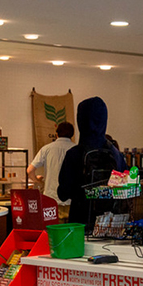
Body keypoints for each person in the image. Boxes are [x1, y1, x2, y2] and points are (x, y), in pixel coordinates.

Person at [58, 97, 124, 227]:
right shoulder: (116, 154)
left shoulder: (74, 154)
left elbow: (63, 194)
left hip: (80, 223)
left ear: (81, 121)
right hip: (111, 224)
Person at [27, 121, 75, 219]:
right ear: (72, 135)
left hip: (51, 199)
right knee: (71, 228)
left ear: (56, 134)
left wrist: (37, 180)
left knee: (52, 227)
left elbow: (30, 170)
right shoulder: (76, 149)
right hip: (72, 200)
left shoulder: (46, 149)